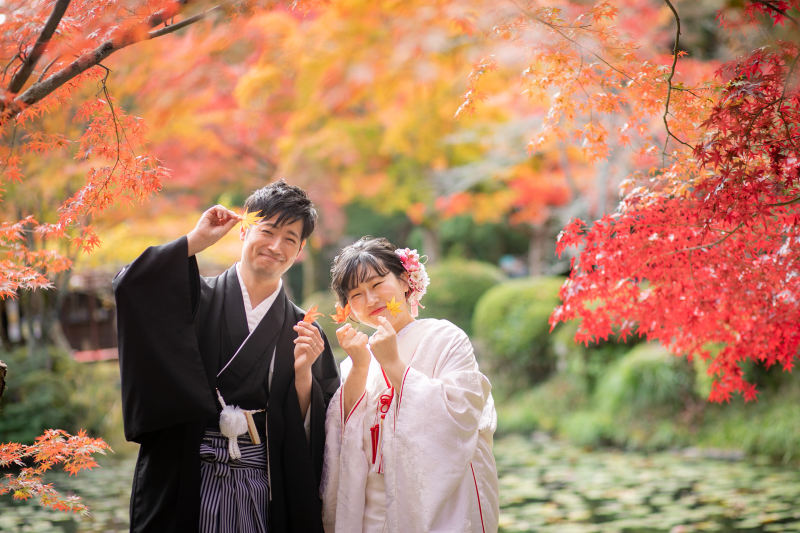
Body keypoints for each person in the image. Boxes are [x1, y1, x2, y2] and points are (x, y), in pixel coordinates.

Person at [113, 181, 339, 533]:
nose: (276, 246)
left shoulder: (304, 329)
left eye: (290, 239)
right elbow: (133, 286)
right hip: (188, 471)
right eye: (267, 231)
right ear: (245, 230)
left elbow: (323, 425)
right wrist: (195, 242)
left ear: (300, 250)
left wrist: (303, 376)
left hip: (264, 484)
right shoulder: (193, 301)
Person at [321, 237, 500, 532]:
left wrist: (393, 364)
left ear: (405, 280)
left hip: (433, 500)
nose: (370, 300)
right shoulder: (355, 359)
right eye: (356, 294)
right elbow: (340, 433)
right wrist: (361, 367)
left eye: (378, 284)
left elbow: (461, 414)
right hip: (370, 500)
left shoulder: (445, 338)